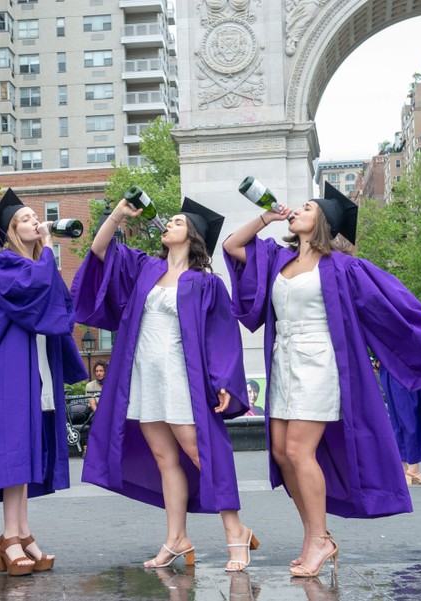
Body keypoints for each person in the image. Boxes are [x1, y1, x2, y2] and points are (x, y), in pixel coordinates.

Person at [222, 182, 421, 578]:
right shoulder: (277, 259)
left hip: (320, 364)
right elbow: (234, 246)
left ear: (322, 220)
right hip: (284, 363)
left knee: (301, 451)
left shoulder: (342, 267)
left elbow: (393, 306)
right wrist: (267, 216)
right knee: (283, 454)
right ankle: (313, 535)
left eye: (306, 207)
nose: (297, 211)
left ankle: (319, 539)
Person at [73, 196, 257, 572]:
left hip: (179, 377)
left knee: (199, 451)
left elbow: (222, 336)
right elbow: (99, 248)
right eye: (169, 220)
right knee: (163, 458)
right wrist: (119, 214)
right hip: (143, 377)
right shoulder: (145, 268)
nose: (169, 224)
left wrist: (224, 381)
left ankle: (235, 530)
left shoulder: (206, 284)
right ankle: (177, 539)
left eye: (177, 220)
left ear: (193, 234)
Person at [0, 189, 87, 576]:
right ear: (12, 230)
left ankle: (21, 532)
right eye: (27, 218)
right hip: (10, 371)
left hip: (39, 366)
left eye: (36, 217)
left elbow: (61, 305)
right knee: (14, 452)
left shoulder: (36, 263)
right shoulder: (5, 263)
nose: (37, 222)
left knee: (25, 451)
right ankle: (11, 537)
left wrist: (46, 254)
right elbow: (30, 292)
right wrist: (47, 248)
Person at [379, 365, 421, 486]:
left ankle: (404, 469)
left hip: (390, 372)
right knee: (410, 421)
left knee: (398, 422)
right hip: (406, 373)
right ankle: (413, 470)